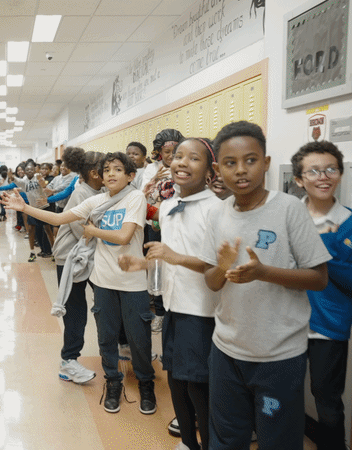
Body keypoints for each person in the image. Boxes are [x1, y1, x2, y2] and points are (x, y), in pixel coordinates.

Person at [199, 121, 331, 450]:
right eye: (230, 163)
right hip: (226, 351)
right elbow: (211, 282)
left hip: (279, 356)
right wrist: (224, 267)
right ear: (217, 169)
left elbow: (319, 277)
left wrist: (263, 272)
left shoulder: (289, 210)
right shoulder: (216, 215)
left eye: (251, 160)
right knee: (226, 439)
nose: (241, 171)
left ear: (266, 163)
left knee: (278, 441)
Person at [2, 152, 155, 415]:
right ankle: (113, 382)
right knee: (106, 338)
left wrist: (93, 231)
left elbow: (124, 235)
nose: (111, 174)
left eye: (118, 170)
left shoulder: (135, 198)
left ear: (131, 176)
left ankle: (146, 384)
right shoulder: (96, 200)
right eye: (107, 170)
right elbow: (60, 219)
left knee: (138, 339)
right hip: (104, 280)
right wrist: (24, 208)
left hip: (132, 283)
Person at [121, 138, 221, 450]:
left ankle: (208, 445)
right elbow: (166, 258)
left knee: (198, 387)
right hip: (174, 306)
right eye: (178, 156)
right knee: (177, 380)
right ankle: (189, 444)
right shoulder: (167, 207)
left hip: (202, 311)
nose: (181, 163)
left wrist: (173, 257)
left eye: (193, 158)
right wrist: (142, 264)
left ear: (209, 170)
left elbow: (219, 266)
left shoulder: (217, 209)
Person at [291, 141, 352, 450]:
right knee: (285, 392)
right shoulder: (289, 215)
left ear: (339, 174)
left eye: (330, 169)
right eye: (313, 171)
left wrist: (322, 253)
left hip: (328, 327)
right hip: (289, 321)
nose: (323, 176)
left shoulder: (350, 223)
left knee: (327, 402)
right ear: (299, 180)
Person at [50, 148, 105, 385]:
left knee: (105, 301)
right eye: (107, 167)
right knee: (76, 310)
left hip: (90, 255)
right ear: (94, 173)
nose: (112, 170)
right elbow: (83, 230)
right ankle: (68, 361)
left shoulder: (99, 189)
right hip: (71, 258)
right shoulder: (82, 193)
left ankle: (123, 344)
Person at [142, 129, 184, 334]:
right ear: (159, 152)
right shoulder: (151, 169)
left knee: (176, 265)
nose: (171, 155)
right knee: (157, 268)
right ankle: (159, 313)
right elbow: (143, 196)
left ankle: (174, 311)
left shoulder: (184, 166)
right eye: (167, 151)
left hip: (178, 225)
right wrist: (154, 182)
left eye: (175, 150)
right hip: (156, 226)